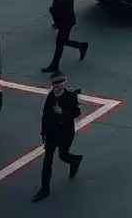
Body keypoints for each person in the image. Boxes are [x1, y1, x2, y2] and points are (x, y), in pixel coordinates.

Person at [31, 72, 82, 202]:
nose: (57, 85)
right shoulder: (50, 96)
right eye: (55, 83)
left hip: (65, 133)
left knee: (63, 155)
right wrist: (43, 133)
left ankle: (75, 161)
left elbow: (76, 112)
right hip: (51, 133)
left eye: (60, 82)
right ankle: (44, 189)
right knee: (47, 160)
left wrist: (62, 113)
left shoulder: (70, 97)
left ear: (65, 82)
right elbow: (45, 116)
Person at [42, 0, 88, 74]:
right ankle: (81, 46)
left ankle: (54, 65)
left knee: (60, 43)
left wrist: (54, 14)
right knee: (63, 41)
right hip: (67, 21)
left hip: (65, 22)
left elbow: (61, 10)